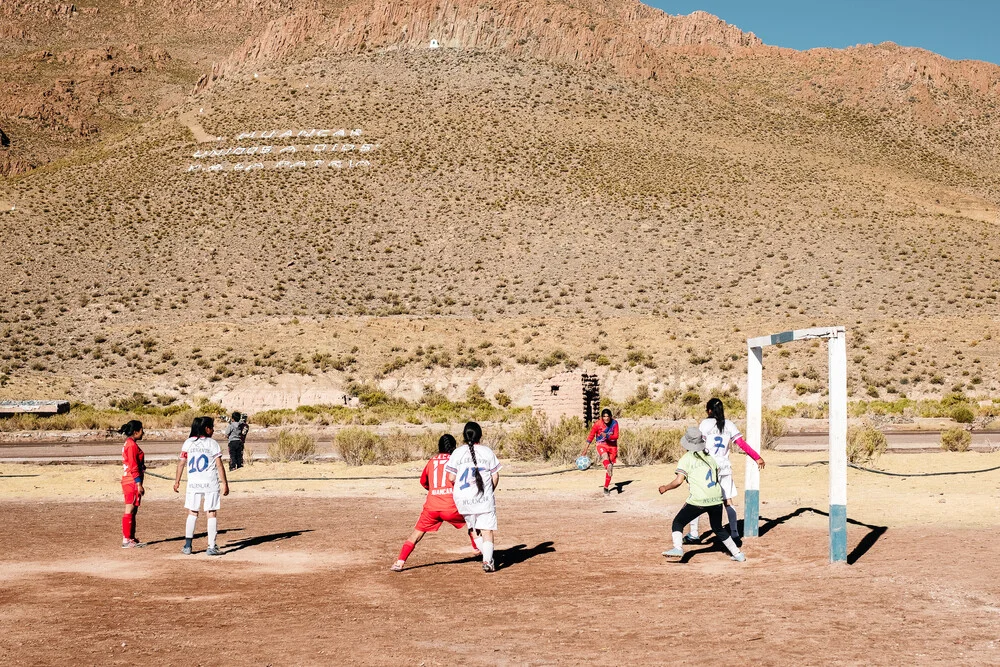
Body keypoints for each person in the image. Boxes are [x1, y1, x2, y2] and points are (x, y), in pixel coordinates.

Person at [390, 434, 481, 572]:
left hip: (432, 506)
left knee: (416, 535)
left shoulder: (432, 461)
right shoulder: (456, 460)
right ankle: (479, 550)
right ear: (454, 447)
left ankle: (399, 562)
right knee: (472, 521)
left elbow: (423, 482)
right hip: (452, 506)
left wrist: (434, 490)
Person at [659, 427, 746, 562]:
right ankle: (738, 554)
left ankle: (678, 548)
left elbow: (678, 481)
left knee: (678, 522)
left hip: (699, 500)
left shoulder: (686, 458)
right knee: (718, 528)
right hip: (716, 499)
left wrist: (665, 488)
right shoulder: (709, 457)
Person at [685, 398, 766, 542]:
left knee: (696, 499)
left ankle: (694, 533)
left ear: (709, 410)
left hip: (707, 468)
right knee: (728, 500)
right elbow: (742, 444)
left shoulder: (705, 424)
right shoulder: (729, 425)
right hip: (724, 468)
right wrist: (756, 457)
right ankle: (734, 533)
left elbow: (698, 445)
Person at [445, 422, 502, 572]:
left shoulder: (457, 453)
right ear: (480, 435)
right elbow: (495, 476)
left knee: (473, 530)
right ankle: (488, 561)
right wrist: (489, 491)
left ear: (464, 436)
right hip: (484, 499)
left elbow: (451, 477)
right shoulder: (487, 452)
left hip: (463, 500)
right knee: (487, 530)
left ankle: (487, 557)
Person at [173, 416, 230, 555]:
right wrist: (225, 483)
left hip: (193, 484)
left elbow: (181, 463)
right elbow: (219, 465)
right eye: (212, 427)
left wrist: (177, 480)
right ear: (206, 428)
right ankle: (211, 546)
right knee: (211, 512)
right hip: (210, 483)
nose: (213, 430)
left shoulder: (188, 443)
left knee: (192, 512)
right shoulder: (212, 443)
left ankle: (187, 545)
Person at [579, 408, 619, 495]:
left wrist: (607, 436)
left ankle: (606, 487)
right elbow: (591, 436)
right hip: (601, 444)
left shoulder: (614, 423)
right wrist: (585, 449)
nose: (606, 418)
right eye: (604, 416)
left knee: (610, 466)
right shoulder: (597, 424)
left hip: (612, 446)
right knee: (605, 457)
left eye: (608, 416)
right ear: (601, 417)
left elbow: (616, 436)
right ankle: (607, 466)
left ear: (611, 417)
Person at [119, 420, 146, 549]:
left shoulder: (130, 444)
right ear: (136, 432)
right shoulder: (131, 445)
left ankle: (131, 537)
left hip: (130, 480)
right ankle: (126, 539)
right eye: (141, 430)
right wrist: (139, 483)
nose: (143, 433)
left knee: (133, 509)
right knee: (130, 509)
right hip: (131, 481)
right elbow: (133, 466)